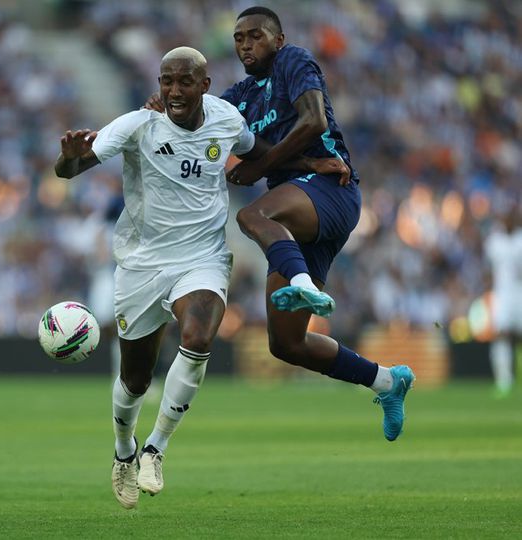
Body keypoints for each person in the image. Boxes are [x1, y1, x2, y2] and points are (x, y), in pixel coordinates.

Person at [56, 47, 344, 510]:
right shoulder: (137, 124)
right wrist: (68, 159)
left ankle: (156, 448)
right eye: (166, 81)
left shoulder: (226, 119)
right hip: (142, 263)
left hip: (202, 256)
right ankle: (124, 450)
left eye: (184, 82)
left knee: (198, 336)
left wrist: (312, 166)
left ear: (204, 85)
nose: (173, 91)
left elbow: (262, 153)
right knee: (134, 378)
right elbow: (71, 168)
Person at [223, 7, 415, 440]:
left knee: (253, 213)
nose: (246, 44)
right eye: (239, 38)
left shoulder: (293, 61)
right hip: (300, 209)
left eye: (255, 35)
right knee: (286, 344)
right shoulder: (240, 95)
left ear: (278, 39)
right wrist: (164, 105)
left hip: (332, 189)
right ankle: (387, 381)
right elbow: (197, 115)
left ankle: (302, 281)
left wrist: (260, 168)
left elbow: (314, 121)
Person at [485, 206, 522, 397]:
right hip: (503, 294)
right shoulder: (495, 242)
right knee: (501, 334)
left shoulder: (520, 240)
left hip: (520, 292)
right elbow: (489, 268)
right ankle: (503, 380)